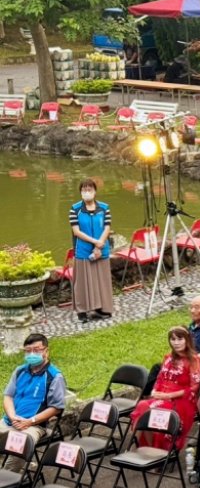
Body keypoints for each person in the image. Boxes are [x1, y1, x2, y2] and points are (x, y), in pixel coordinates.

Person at [1, 334, 65, 471]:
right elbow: (8, 396)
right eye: (28, 351)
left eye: (36, 350)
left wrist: (29, 421)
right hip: (10, 420)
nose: (32, 354)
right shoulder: (20, 371)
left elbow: (56, 408)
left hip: (34, 425)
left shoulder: (55, 376)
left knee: (20, 443)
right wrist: (12, 417)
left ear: (46, 351)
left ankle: (7, 480)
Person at [129, 327, 200, 451]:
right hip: (162, 396)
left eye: (180, 339)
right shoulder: (168, 358)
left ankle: (149, 450)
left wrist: (167, 396)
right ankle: (146, 448)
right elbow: (160, 378)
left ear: (187, 340)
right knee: (142, 406)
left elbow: (194, 387)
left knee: (148, 408)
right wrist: (154, 391)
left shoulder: (192, 360)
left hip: (181, 400)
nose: (176, 342)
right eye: (173, 339)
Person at [68, 178, 113, 322]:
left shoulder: (104, 208)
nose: (87, 192)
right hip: (83, 250)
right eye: (84, 190)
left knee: (102, 280)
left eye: (90, 189)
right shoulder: (75, 209)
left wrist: (100, 244)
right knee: (82, 281)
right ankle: (82, 311)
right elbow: (76, 231)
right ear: (80, 192)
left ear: (95, 191)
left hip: (102, 249)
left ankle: (101, 308)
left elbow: (107, 227)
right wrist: (95, 242)